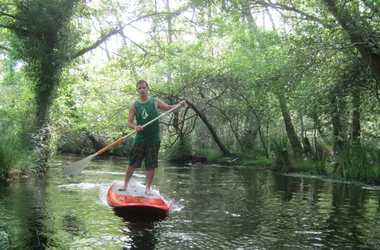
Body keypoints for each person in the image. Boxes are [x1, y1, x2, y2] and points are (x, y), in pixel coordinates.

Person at [118, 79, 186, 195]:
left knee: (151, 164)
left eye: (144, 87)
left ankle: (148, 188)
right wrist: (135, 127)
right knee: (132, 163)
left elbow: (169, 108)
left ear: (147, 89)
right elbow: (129, 122)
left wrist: (179, 105)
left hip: (153, 139)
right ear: (137, 90)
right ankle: (125, 184)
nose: (142, 90)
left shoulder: (155, 101)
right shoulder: (134, 105)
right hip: (140, 139)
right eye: (140, 88)